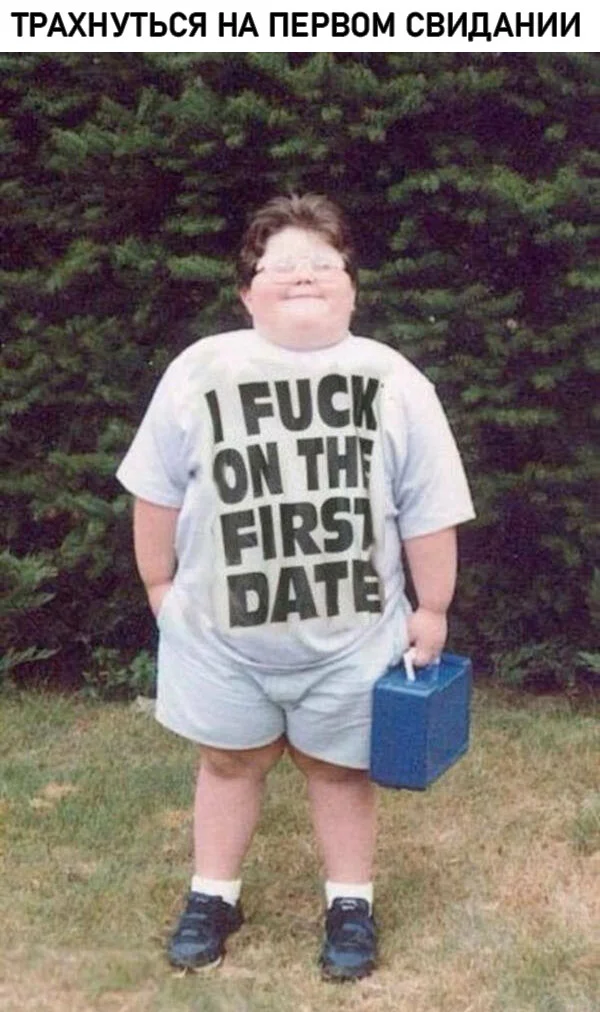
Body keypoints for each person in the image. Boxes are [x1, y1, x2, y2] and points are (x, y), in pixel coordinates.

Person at [116, 193, 475, 981]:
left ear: (353, 288)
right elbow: (155, 489)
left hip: (353, 641)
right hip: (220, 641)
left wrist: (433, 607)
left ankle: (351, 903)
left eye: (322, 262)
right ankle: (213, 895)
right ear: (246, 292)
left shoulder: (394, 380)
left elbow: (429, 504)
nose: (303, 275)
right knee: (228, 764)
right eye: (282, 264)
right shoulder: (199, 370)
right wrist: (158, 586)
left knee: (341, 772)